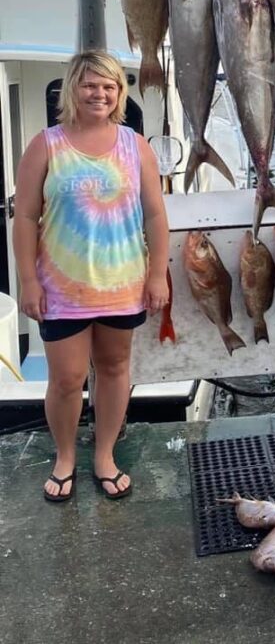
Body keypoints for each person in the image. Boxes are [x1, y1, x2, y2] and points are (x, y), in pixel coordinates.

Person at [13, 50, 169, 502]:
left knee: (116, 369)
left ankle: (104, 455)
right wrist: (28, 280)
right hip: (62, 287)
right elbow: (24, 217)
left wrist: (157, 274)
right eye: (90, 85)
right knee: (67, 378)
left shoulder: (134, 145)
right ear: (72, 90)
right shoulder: (46, 144)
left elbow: (155, 216)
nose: (99, 93)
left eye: (109, 86)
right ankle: (64, 456)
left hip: (122, 284)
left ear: (119, 93)